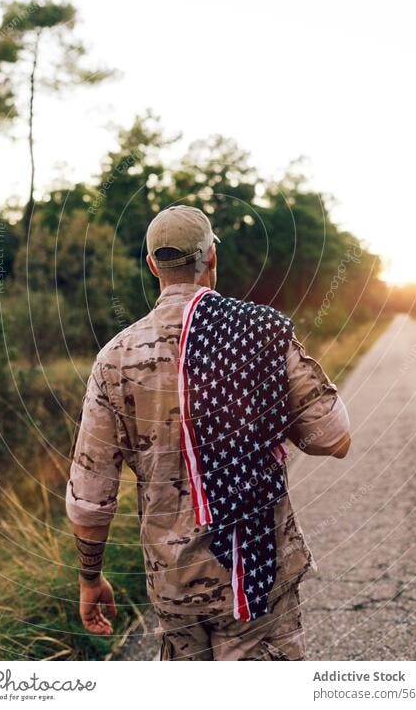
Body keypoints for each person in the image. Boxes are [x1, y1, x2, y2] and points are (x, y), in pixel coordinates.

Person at [66, 205, 351, 660]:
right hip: (256, 579)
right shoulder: (258, 331)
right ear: (211, 257)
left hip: (174, 587)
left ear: (153, 265)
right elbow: (334, 438)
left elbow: (91, 494)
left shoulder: (113, 359)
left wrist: (90, 578)